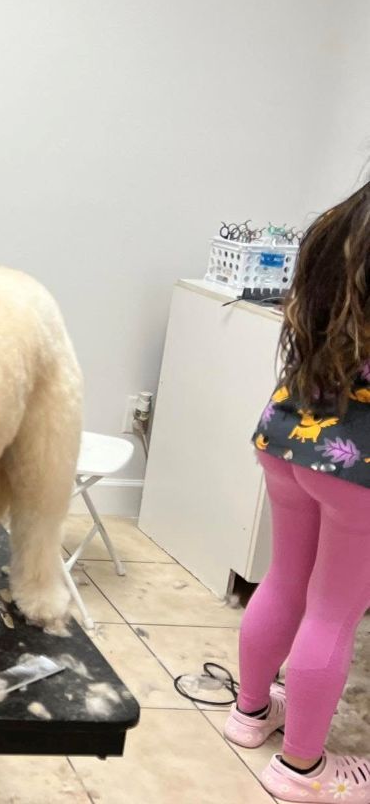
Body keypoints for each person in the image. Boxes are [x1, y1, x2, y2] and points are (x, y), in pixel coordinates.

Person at [230, 183, 370, 803]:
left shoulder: (340, 225)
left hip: (290, 431)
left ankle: (250, 713)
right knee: (333, 610)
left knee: (286, 578)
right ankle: (302, 770)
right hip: (355, 460)